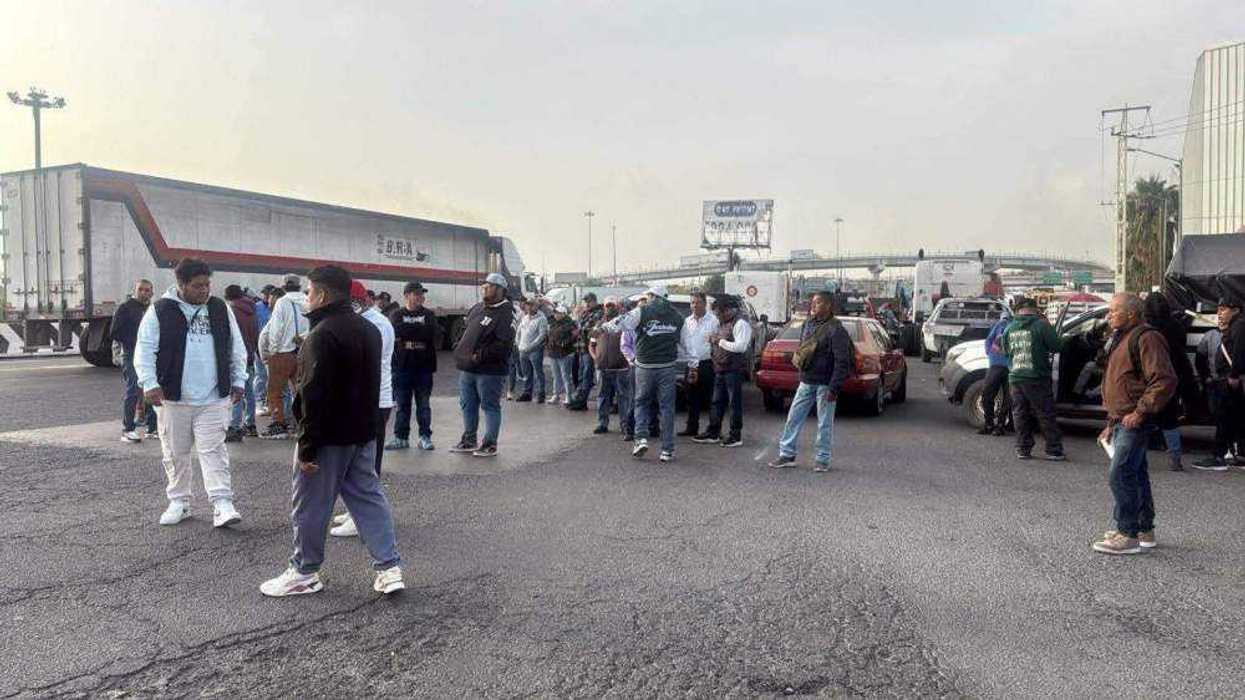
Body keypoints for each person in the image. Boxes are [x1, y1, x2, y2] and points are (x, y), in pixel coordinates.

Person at [259, 265, 404, 597]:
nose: (306, 299)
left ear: (321, 294)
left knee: (310, 504)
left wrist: (307, 446)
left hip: (327, 437)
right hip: (363, 431)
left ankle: (304, 572)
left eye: (309, 292)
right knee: (368, 498)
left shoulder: (321, 335)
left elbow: (312, 395)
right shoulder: (369, 329)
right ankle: (389, 567)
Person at [134, 258, 248, 528]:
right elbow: (144, 349)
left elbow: (236, 347)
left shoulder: (220, 308)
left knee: (214, 451)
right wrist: (149, 383)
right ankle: (179, 502)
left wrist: (239, 379)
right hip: (174, 398)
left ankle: (222, 503)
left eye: (208, 285)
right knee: (176, 453)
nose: (205, 291)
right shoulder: (160, 310)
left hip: (214, 397)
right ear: (181, 284)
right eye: (198, 286)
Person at [1092, 293, 1177, 555]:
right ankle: (1143, 529)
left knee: (1121, 473)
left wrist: (1140, 412)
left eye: (1114, 311)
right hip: (1121, 419)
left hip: (1134, 420)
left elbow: (1164, 379)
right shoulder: (1121, 338)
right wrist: (1111, 422)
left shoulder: (1146, 337)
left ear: (1131, 313)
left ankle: (1126, 533)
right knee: (1136, 474)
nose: (1109, 316)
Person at [330, 279, 398, 539]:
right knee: (358, 463)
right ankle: (355, 511)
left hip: (374, 401)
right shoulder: (370, 321)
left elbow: (357, 362)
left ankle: (363, 519)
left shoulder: (375, 324)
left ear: (359, 302)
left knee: (367, 465)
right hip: (369, 400)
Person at [599, 286, 691, 463]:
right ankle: (667, 449)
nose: (647, 299)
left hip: (645, 366)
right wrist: (693, 363)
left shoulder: (642, 311)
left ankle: (640, 438)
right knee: (667, 408)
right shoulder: (678, 317)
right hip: (667, 367)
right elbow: (686, 343)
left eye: (648, 296)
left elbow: (622, 322)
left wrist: (604, 327)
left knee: (641, 402)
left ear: (652, 296)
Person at [766, 291, 853, 472]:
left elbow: (842, 361)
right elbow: (803, 349)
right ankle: (787, 454)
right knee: (793, 418)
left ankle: (822, 459)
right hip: (806, 381)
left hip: (826, 384)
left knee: (824, 423)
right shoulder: (808, 324)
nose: (813, 306)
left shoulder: (836, 330)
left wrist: (834, 388)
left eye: (818, 302)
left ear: (828, 306)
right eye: (812, 302)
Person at [450, 273, 516, 458]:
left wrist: (479, 355)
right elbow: (464, 330)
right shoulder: (477, 308)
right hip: (468, 368)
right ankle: (469, 440)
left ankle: (489, 444)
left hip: (490, 371)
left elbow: (504, 344)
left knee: (490, 406)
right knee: (467, 404)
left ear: (501, 290)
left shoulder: (507, 312)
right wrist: (458, 347)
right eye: (484, 286)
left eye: (490, 286)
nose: (485, 288)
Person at [1003, 297, 1066, 461]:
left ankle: (1023, 449)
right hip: (1037, 377)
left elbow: (1006, 351)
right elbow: (1057, 346)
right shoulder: (1042, 326)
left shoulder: (1009, 328)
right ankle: (1053, 450)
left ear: (1017, 311)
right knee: (1045, 413)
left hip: (1016, 378)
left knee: (1020, 414)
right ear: (1035, 310)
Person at [1143, 293, 1196, 471]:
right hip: (1171, 378)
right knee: (1170, 420)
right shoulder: (1176, 327)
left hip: (1149, 378)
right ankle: (1175, 459)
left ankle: (1137, 458)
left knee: (1141, 417)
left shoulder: (1145, 329)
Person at [1193, 297, 1245, 470]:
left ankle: (1218, 456)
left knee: (1224, 418)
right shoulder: (1236, 326)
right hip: (1230, 379)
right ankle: (1238, 454)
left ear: (1236, 310)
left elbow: (1238, 352)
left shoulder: (1239, 327)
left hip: (1230, 380)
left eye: (1223, 309)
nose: (1219, 313)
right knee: (1235, 418)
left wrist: (1234, 374)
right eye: (1218, 309)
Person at [695, 295, 752, 447]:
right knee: (716, 402)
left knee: (734, 403)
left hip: (733, 369)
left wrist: (719, 341)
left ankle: (735, 435)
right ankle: (713, 432)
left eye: (719, 313)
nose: (717, 316)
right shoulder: (724, 322)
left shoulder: (740, 324)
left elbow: (741, 347)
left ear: (728, 310)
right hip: (720, 367)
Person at [386, 282, 438, 451]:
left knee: (423, 404)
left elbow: (432, 333)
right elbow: (396, 331)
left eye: (422, 294)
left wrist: (408, 334)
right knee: (402, 404)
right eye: (416, 294)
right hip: (402, 366)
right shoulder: (396, 314)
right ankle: (401, 437)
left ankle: (425, 437)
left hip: (424, 367)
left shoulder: (429, 314)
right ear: (407, 295)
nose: (420, 297)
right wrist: (416, 331)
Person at [258, 273, 308, 440]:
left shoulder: (282, 302)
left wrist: (272, 350)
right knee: (300, 391)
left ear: (285, 285)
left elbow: (276, 329)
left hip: (282, 353)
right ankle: (302, 424)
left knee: (275, 392)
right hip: (302, 352)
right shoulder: (308, 301)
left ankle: (278, 425)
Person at [113, 278, 158, 442]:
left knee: (152, 387)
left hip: (150, 354)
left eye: (147, 290)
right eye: (141, 289)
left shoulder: (152, 309)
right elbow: (115, 332)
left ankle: (152, 428)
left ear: (152, 292)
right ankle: (128, 429)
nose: (144, 293)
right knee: (133, 389)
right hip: (131, 354)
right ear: (135, 290)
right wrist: (136, 341)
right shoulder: (125, 308)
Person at [678, 292, 719, 437]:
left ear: (704, 303)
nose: (694, 305)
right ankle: (691, 427)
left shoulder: (713, 320)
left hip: (707, 364)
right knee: (691, 397)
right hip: (691, 364)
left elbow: (717, 340)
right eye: (692, 303)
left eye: (697, 302)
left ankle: (713, 430)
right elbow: (683, 342)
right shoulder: (687, 321)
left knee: (711, 398)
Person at [590, 297, 633, 435]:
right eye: (607, 305)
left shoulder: (625, 323)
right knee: (602, 397)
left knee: (623, 397)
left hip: (621, 368)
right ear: (603, 307)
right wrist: (595, 358)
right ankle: (602, 423)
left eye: (612, 305)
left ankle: (625, 425)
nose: (609, 308)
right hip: (603, 368)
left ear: (618, 306)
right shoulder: (598, 325)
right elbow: (591, 344)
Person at [224, 285, 260, 442]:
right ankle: (250, 424)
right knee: (249, 391)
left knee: (236, 390)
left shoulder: (231, 311)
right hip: (250, 354)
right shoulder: (252, 310)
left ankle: (235, 426)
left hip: (236, 356)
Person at [566, 293, 605, 411]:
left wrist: (580, 330)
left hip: (591, 348)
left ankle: (582, 400)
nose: (586, 304)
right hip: (581, 348)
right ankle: (579, 399)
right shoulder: (585, 313)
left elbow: (594, 329)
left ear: (594, 301)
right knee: (581, 374)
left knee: (587, 374)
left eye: (588, 301)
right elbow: (579, 325)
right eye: (586, 301)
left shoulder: (599, 312)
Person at [979, 309, 1013, 436]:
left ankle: (992, 424)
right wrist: (991, 353)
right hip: (1007, 366)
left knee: (989, 395)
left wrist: (991, 354)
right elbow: (989, 341)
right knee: (1007, 398)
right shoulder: (1006, 326)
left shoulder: (1002, 325)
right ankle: (997, 425)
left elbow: (988, 341)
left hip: (1000, 365)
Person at [515, 299, 548, 402]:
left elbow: (541, 336)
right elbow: (519, 331)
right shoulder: (525, 318)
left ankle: (541, 394)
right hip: (522, 350)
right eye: (527, 305)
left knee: (538, 372)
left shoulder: (541, 319)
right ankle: (527, 393)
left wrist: (531, 346)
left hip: (535, 351)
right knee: (526, 373)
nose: (528, 307)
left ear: (536, 306)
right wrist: (518, 342)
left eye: (531, 305)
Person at [546, 304, 577, 405]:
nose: (556, 314)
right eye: (555, 312)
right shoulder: (553, 323)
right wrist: (548, 344)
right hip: (553, 352)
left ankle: (568, 396)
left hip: (565, 353)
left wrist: (565, 343)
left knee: (565, 376)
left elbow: (575, 336)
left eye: (558, 313)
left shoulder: (571, 324)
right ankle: (556, 395)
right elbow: (549, 335)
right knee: (555, 376)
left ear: (563, 314)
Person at [253, 285, 274, 416]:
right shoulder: (257, 307)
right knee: (261, 375)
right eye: (264, 294)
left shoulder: (278, 307)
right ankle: (259, 401)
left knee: (273, 377)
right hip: (260, 345)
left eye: (268, 294)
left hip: (274, 347)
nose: (266, 296)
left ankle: (269, 402)